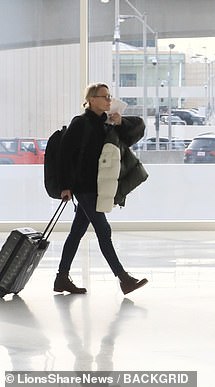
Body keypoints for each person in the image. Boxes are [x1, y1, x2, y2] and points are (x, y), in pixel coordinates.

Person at [54, 83, 149, 295]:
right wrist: (65, 186)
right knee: (103, 231)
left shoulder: (108, 123)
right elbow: (64, 155)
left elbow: (138, 128)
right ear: (91, 99)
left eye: (109, 96)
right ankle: (124, 279)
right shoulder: (80, 123)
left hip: (97, 186)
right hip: (83, 186)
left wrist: (120, 121)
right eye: (104, 97)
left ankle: (61, 278)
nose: (108, 100)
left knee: (77, 232)